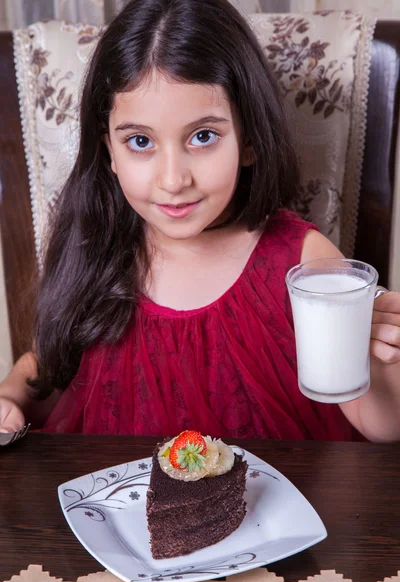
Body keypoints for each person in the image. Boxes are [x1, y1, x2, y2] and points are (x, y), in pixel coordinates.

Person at [1, 0, 400, 443]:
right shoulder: (96, 245)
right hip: (120, 508)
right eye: (139, 141)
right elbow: (45, 369)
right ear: (109, 151)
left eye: (203, 136)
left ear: (249, 141)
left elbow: (382, 426)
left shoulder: (305, 265)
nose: (173, 180)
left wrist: (385, 365)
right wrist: (10, 397)